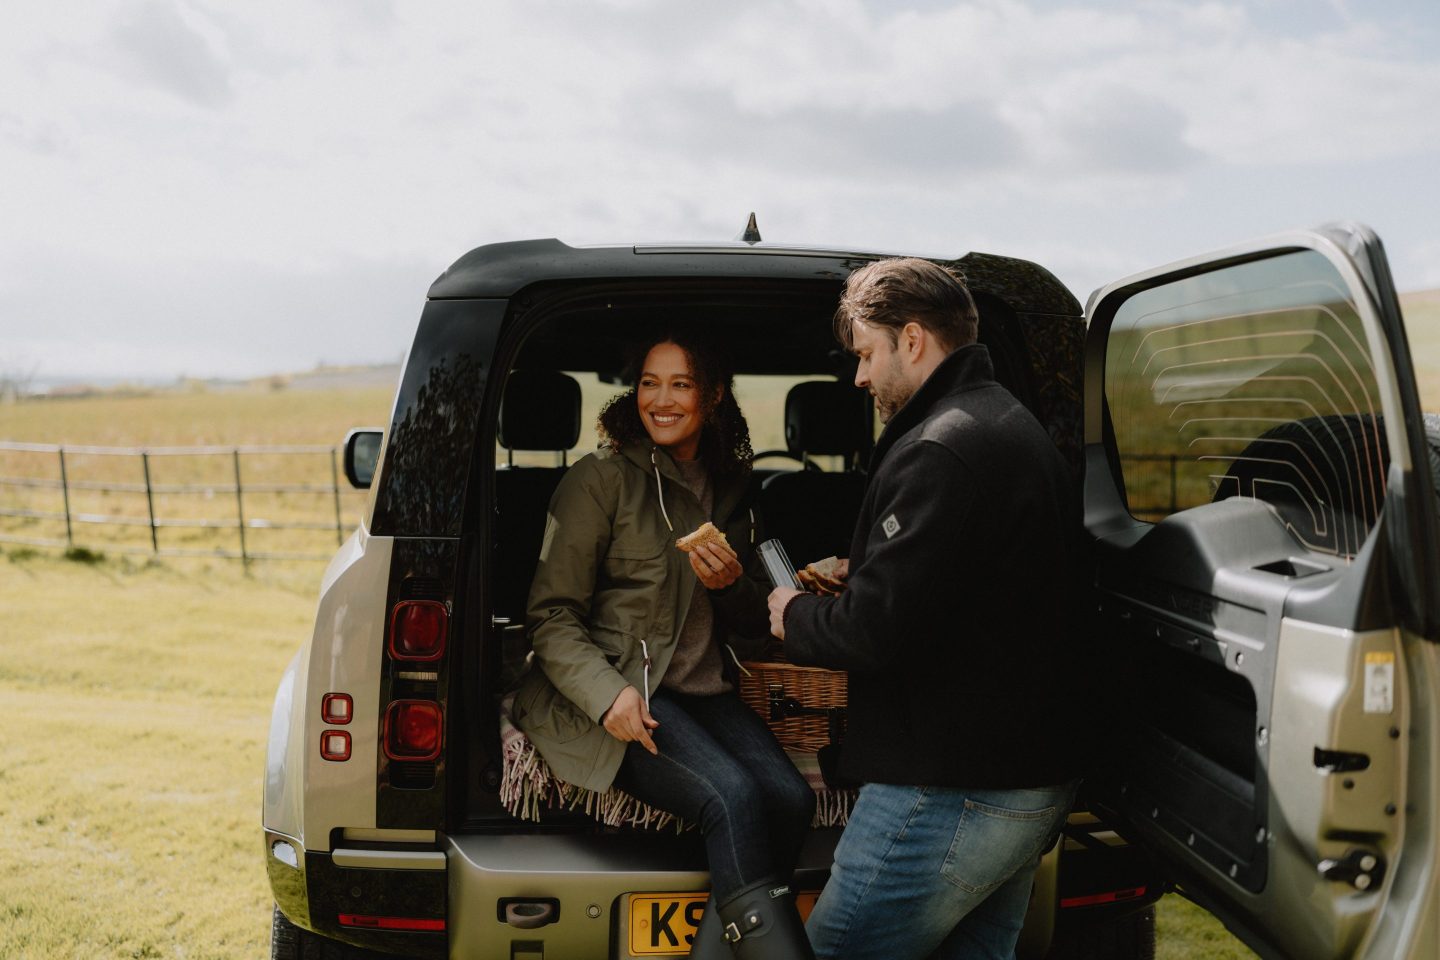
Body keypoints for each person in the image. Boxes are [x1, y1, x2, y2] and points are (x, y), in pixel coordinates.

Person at [767, 258, 1083, 960]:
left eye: (865, 355)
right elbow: (974, 584)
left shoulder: (942, 449)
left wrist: (792, 612)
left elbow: (871, 631)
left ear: (912, 341)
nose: (858, 378)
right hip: (1027, 783)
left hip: (951, 791)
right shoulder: (1008, 425)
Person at [511, 330, 817, 960]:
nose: (661, 399)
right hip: (624, 689)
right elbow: (551, 615)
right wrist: (606, 696)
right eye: (650, 382)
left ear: (712, 397)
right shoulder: (597, 482)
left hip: (703, 689)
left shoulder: (734, 488)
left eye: (680, 383)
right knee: (730, 797)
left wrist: (733, 585)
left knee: (789, 799)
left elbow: (756, 624)